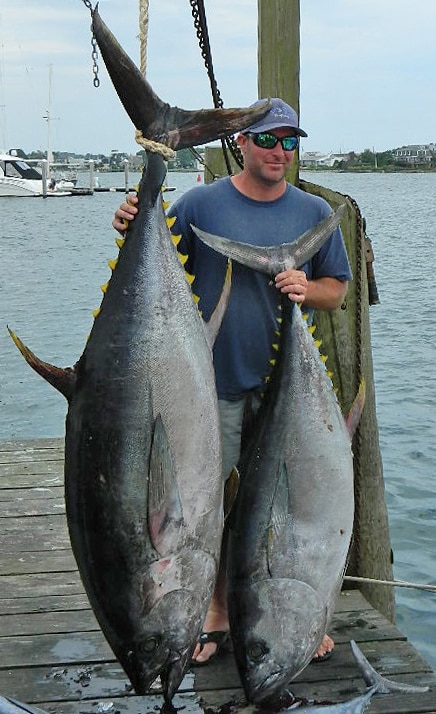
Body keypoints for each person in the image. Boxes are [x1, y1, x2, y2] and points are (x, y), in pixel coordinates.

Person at [112, 97, 352, 665]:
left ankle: (304, 614)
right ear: (239, 144)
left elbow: (337, 291)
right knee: (206, 506)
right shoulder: (199, 204)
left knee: (294, 509)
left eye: (290, 141)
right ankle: (216, 611)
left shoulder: (314, 214)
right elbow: (155, 269)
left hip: (285, 393)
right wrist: (129, 221)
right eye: (267, 140)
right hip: (210, 387)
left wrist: (303, 287)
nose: (278, 152)